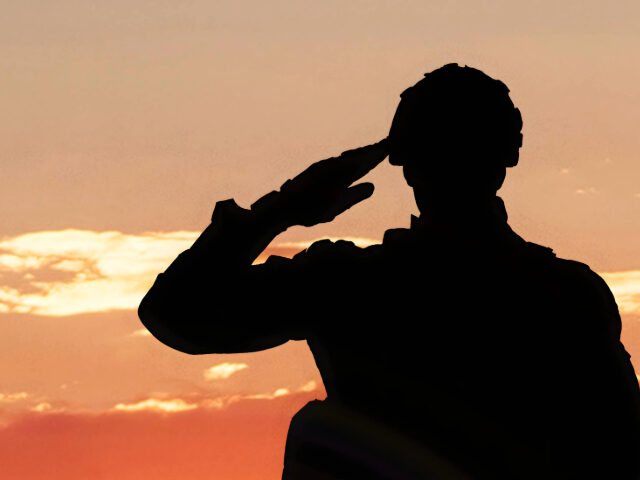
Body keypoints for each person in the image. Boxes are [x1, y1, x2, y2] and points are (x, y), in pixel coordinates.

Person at [138, 63, 640, 479]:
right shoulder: (567, 294)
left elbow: (176, 311)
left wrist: (282, 210)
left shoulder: (348, 284)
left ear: (401, 161)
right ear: (510, 152)